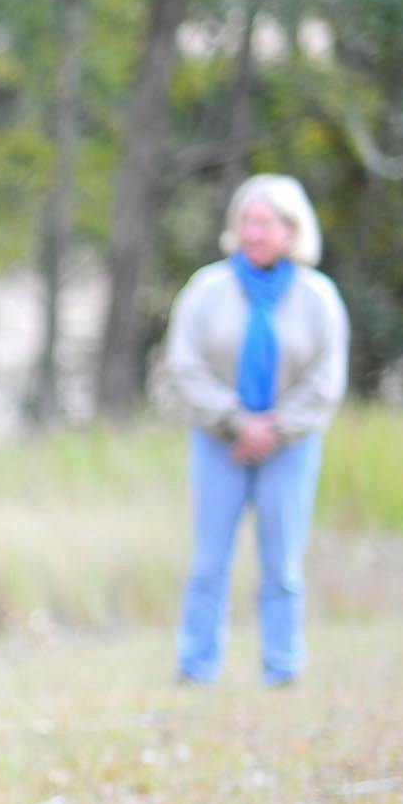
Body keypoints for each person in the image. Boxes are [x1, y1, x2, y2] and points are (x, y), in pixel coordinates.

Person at [159, 174, 349, 687]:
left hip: (290, 448)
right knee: (208, 563)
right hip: (218, 443)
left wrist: (275, 429)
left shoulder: (318, 297)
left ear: (291, 230)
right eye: (247, 220)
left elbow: (327, 381)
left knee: (282, 565)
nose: (254, 231)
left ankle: (282, 667)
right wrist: (236, 422)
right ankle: (196, 668)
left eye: (266, 223)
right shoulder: (207, 290)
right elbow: (184, 365)